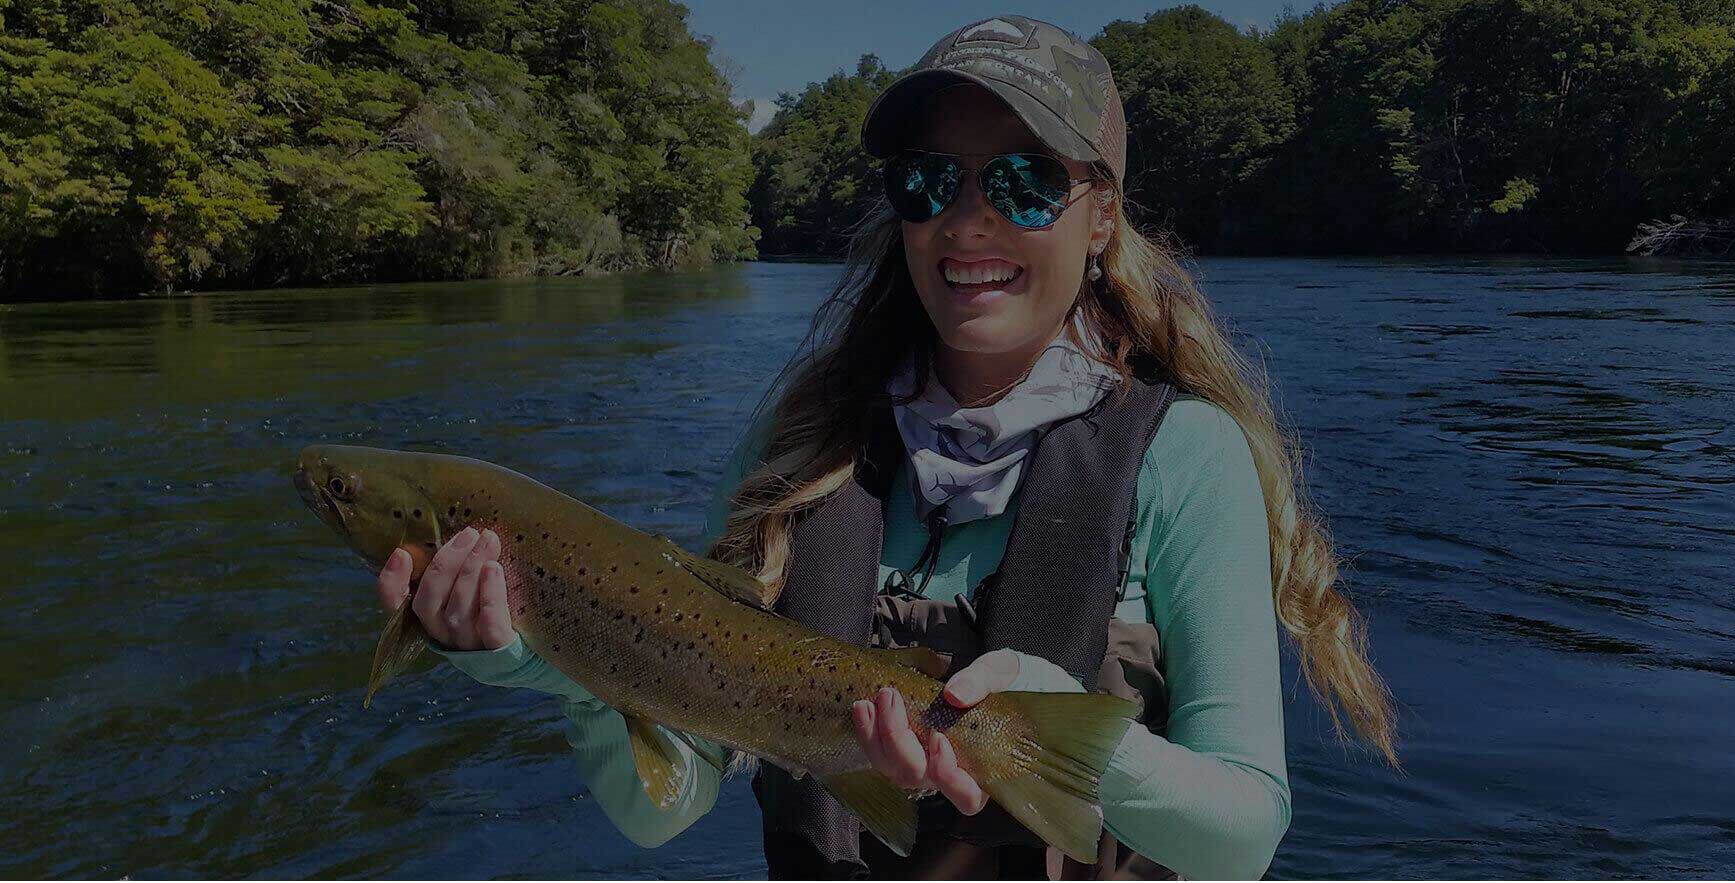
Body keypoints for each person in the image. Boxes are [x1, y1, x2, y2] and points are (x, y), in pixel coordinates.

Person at [371, 14, 1397, 880]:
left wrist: (1055, 739)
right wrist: (550, 658)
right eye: (930, 181)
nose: (969, 221)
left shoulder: (1185, 455)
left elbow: (1243, 836)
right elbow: (660, 808)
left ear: (1100, 218)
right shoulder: (800, 447)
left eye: (1025, 183)